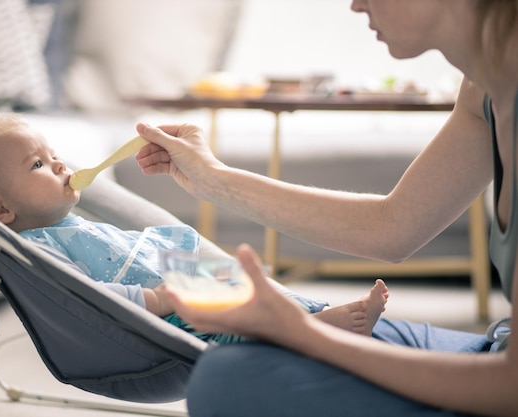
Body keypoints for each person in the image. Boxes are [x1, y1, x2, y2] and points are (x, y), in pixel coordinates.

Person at [133, 1, 518, 416]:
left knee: (228, 380)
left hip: (503, 382)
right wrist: (213, 178)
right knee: (305, 330)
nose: (355, 4)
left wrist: (304, 336)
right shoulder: (483, 86)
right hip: (496, 347)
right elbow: (392, 227)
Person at [0, 114, 389, 344]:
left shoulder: (63, 223)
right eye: (37, 164)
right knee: (234, 319)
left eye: (53, 152)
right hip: (167, 311)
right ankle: (312, 330)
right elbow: (87, 297)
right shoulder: (37, 251)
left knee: (249, 287)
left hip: (178, 276)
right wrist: (159, 299)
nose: (59, 163)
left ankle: (309, 313)